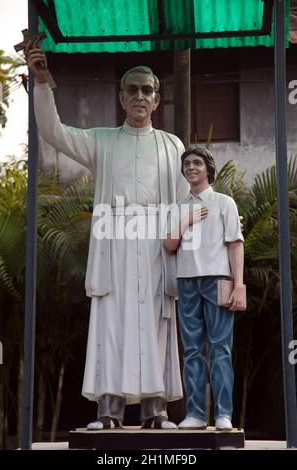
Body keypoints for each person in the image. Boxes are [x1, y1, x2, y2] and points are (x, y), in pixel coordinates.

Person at [27, 44, 189, 430]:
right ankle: (109, 411)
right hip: (113, 243)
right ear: (120, 97)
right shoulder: (100, 139)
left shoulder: (173, 146)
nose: (138, 96)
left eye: (146, 90)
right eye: (131, 89)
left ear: (157, 98)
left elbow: (186, 204)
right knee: (112, 322)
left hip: (155, 243)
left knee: (155, 322)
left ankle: (156, 411)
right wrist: (43, 83)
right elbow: (53, 131)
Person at [164, 146, 245, 431]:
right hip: (187, 282)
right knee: (193, 351)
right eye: (186, 164)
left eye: (197, 163)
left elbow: (235, 245)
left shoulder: (225, 203)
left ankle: (223, 414)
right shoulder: (178, 207)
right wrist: (186, 220)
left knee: (221, 349)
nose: (191, 167)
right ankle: (196, 413)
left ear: (208, 168)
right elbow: (169, 245)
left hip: (218, 281)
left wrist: (239, 285)